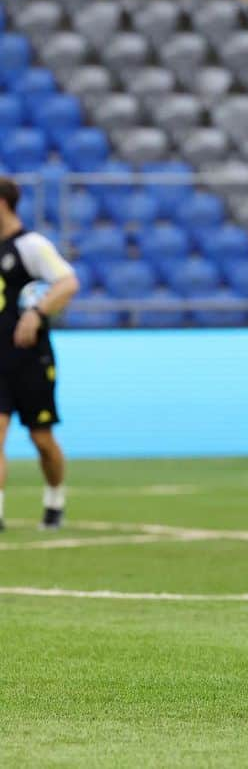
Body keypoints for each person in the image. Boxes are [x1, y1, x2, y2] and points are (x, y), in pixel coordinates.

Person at [0, 177, 79, 532]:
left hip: (30, 357)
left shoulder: (30, 246)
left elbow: (67, 282)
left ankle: (54, 498)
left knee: (41, 439)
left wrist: (37, 313)